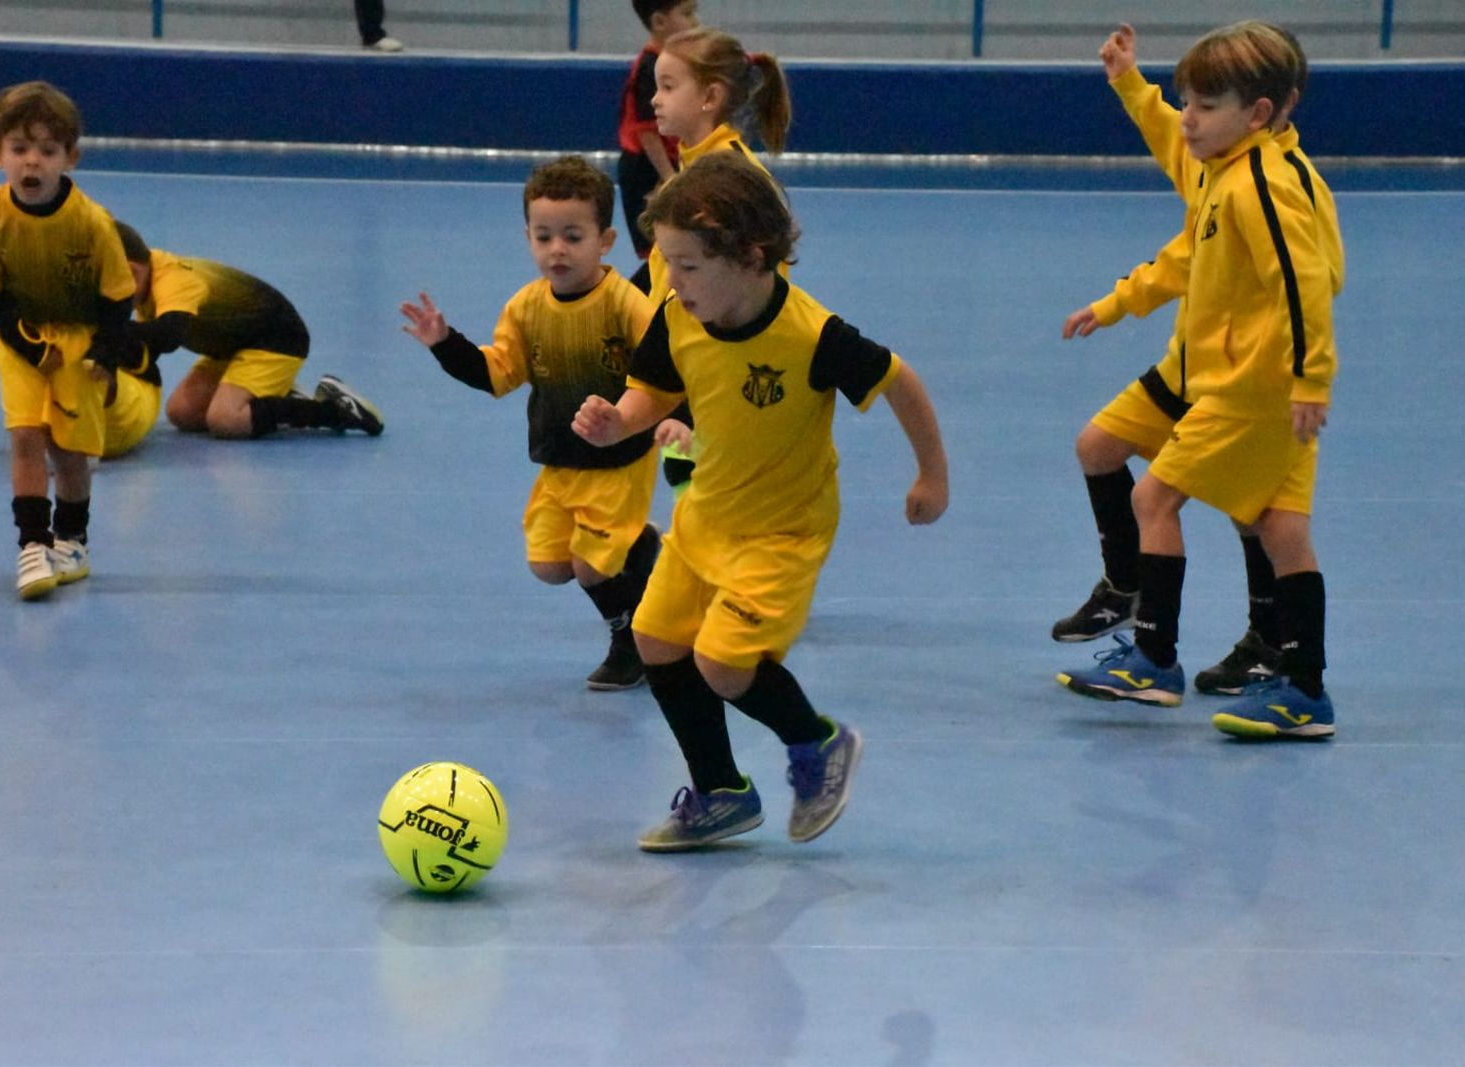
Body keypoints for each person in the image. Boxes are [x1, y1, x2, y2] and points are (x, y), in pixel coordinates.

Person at [572, 152, 950, 850]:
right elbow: (654, 390)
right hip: (706, 515)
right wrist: (617, 422)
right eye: (667, 263)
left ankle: (818, 743)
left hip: (783, 532)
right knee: (656, 639)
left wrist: (932, 475)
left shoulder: (810, 336)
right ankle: (720, 791)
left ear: (751, 257)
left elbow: (900, 381)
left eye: (688, 266)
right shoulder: (678, 316)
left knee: (722, 662)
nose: (672, 281)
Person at [1056, 22, 1339, 740]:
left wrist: (1309, 379)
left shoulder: (1263, 187)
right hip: (1223, 375)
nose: (1189, 119)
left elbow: (1305, 284)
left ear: (1260, 113)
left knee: (1153, 498)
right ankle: (1301, 687)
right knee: (1280, 527)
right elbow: (1186, 235)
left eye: (1206, 106)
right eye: (1188, 102)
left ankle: (1154, 659)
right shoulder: (1225, 166)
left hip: (1251, 386)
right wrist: (1129, 83)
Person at [399, 155, 661, 690]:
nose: (556, 249)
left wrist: (656, 422)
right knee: (550, 566)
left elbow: (665, 370)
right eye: (544, 237)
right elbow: (498, 374)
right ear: (528, 239)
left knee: (591, 567)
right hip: (559, 460)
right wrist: (446, 345)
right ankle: (640, 545)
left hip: (618, 460)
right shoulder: (525, 309)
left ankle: (630, 645)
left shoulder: (626, 305)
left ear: (606, 241)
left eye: (573, 236)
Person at [0, 81, 136, 601]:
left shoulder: (92, 223)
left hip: (78, 344)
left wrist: (105, 354)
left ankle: (73, 540)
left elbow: (119, 299)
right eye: (19, 148)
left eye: (47, 151)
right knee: (25, 436)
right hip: (22, 339)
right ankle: (32, 544)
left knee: (68, 450)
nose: (32, 162)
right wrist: (29, 348)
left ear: (71, 158)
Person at [0, 221, 166, 460]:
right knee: (23, 318)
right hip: (70, 409)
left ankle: (81, 441)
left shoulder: (116, 327)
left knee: (84, 351)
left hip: (127, 413)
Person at [134, 239, 384, 440]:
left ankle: (335, 411)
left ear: (135, 269)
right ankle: (273, 396)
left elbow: (167, 336)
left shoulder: (174, 282)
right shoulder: (145, 271)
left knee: (226, 420)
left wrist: (118, 334)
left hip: (277, 339)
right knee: (182, 413)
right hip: (233, 344)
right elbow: (147, 349)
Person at [643, 26, 790, 304]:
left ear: (710, 97)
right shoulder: (693, 164)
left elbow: (766, 271)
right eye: (657, 87)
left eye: (668, 87)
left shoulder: (733, 178)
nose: (655, 99)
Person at [617, 0, 699, 292]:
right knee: (662, 251)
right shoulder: (650, 67)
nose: (695, 21)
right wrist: (669, 178)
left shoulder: (670, 63)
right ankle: (633, 305)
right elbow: (647, 132)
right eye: (687, 13)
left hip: (666, 165)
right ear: (660, 22)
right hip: (646, 168)